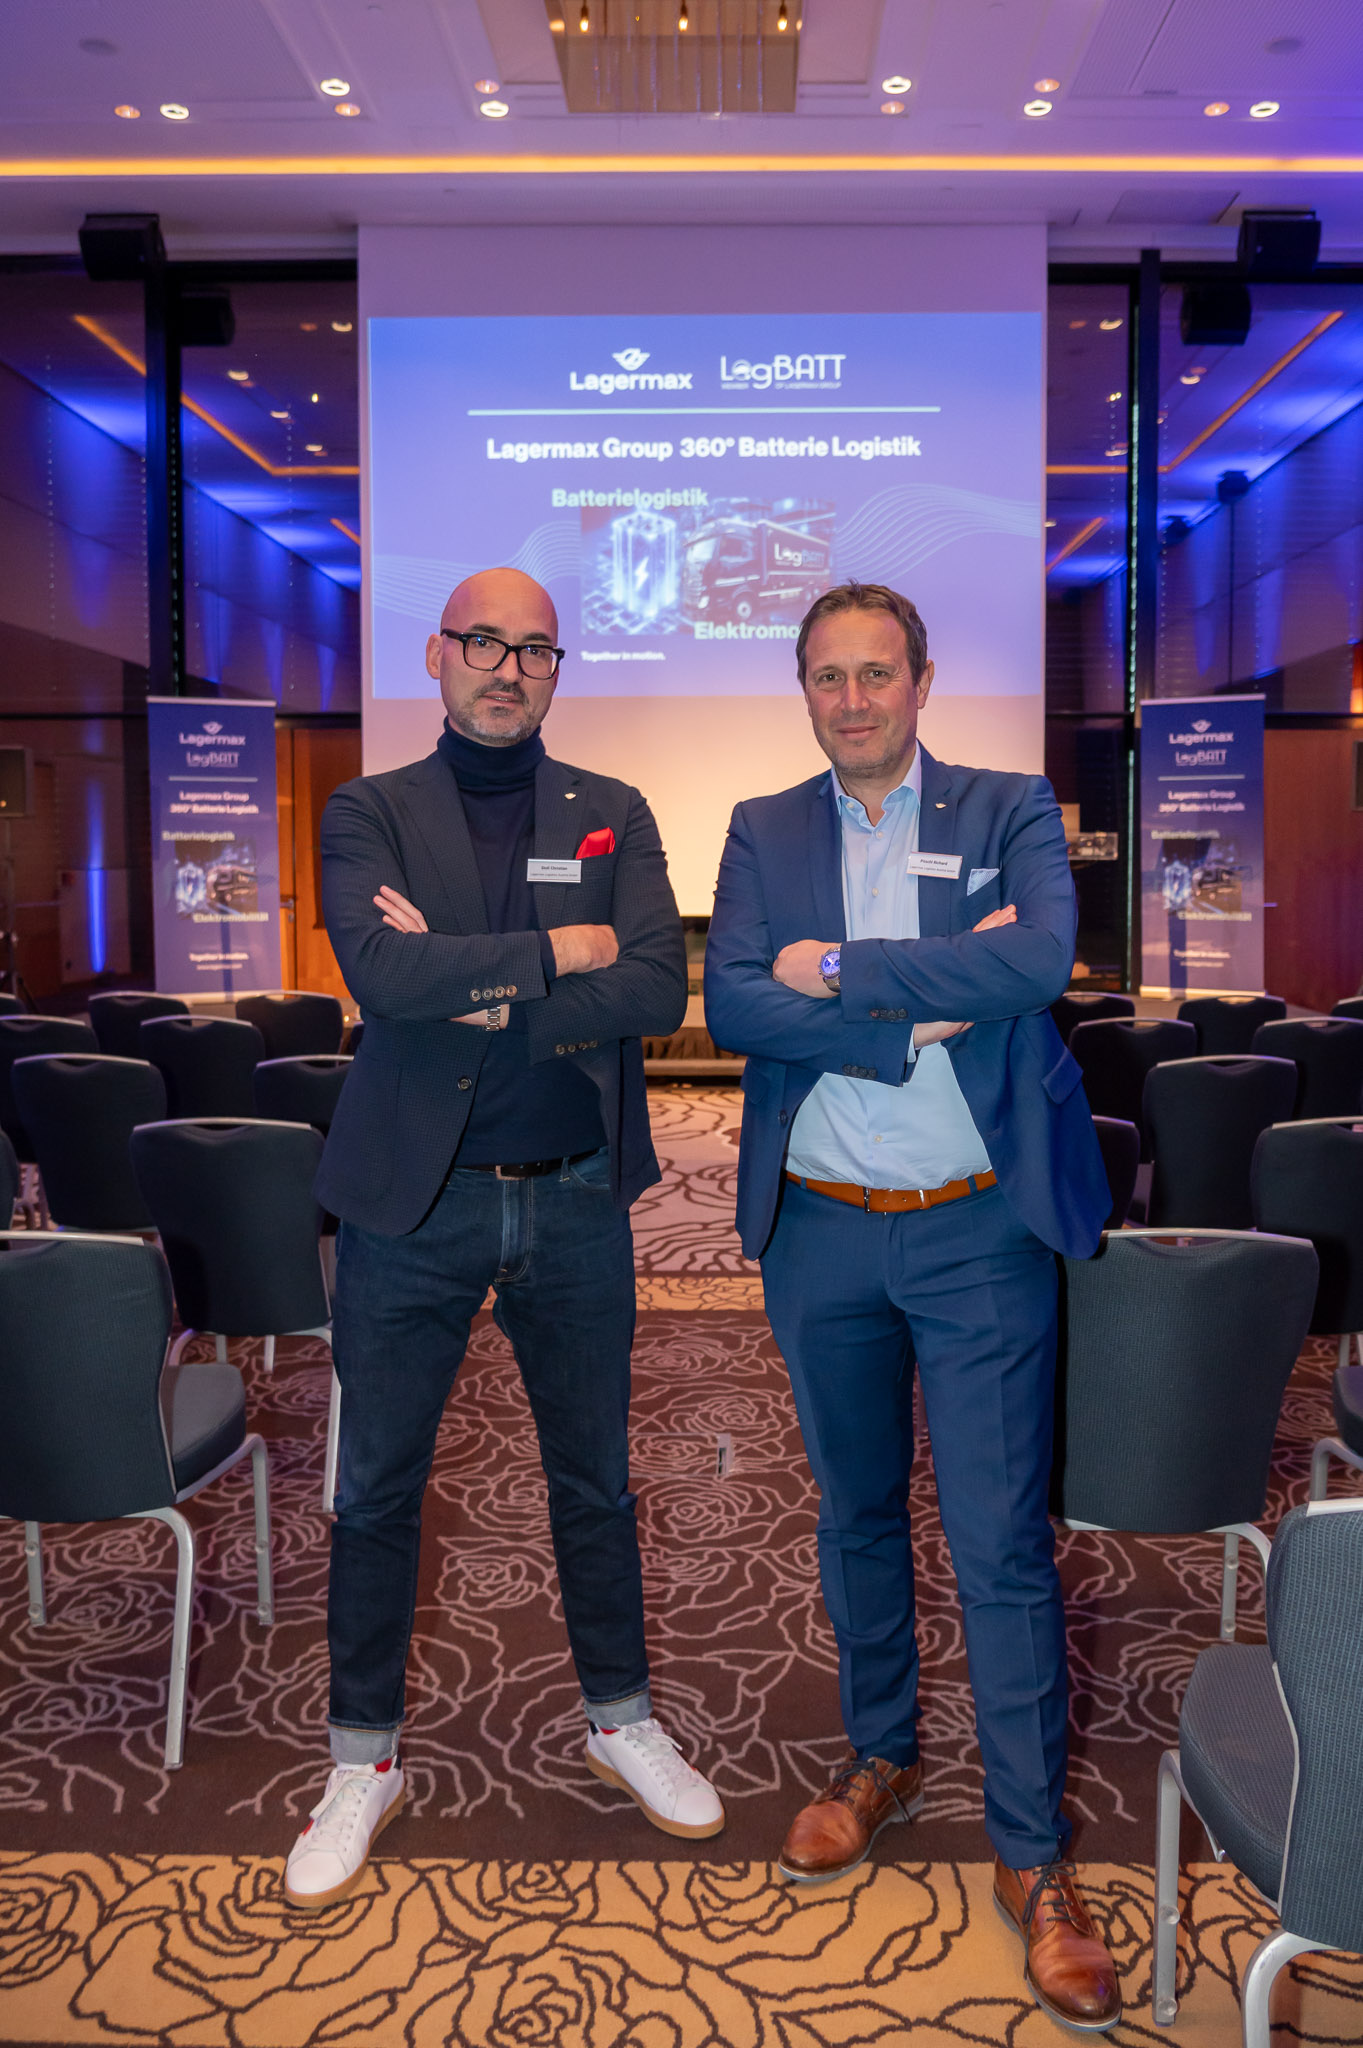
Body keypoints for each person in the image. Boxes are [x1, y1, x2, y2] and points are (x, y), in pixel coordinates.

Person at [704, 582, 1120, 2032]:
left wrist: (848, 975)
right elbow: (736, 1004)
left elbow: (1032, 961)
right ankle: (879, 1756)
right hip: (820, 1234)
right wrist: (912, 1025)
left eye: (879, 673)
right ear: (804, 691)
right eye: (830, 676)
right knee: (855, 1514)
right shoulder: (765, 828)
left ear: (924, 681)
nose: (856, 698)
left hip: (976, 1234)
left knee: (1000, 1540)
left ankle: (1031, 1856)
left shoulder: (1010, 807)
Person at [284, 566, 724, 1911]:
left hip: (577, 1193)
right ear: (438, 654)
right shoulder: (367, 810)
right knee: (377, 1493)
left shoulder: (616, 810)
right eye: (486, 642)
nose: (510, 667)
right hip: (412, 1208)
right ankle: (364, 1756)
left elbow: (655, 983)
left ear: (556, 668)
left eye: (536, 649)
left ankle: (618, 1716)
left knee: (595, 1483)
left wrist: (474, 979)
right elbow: (381, 978)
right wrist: (555, 953)